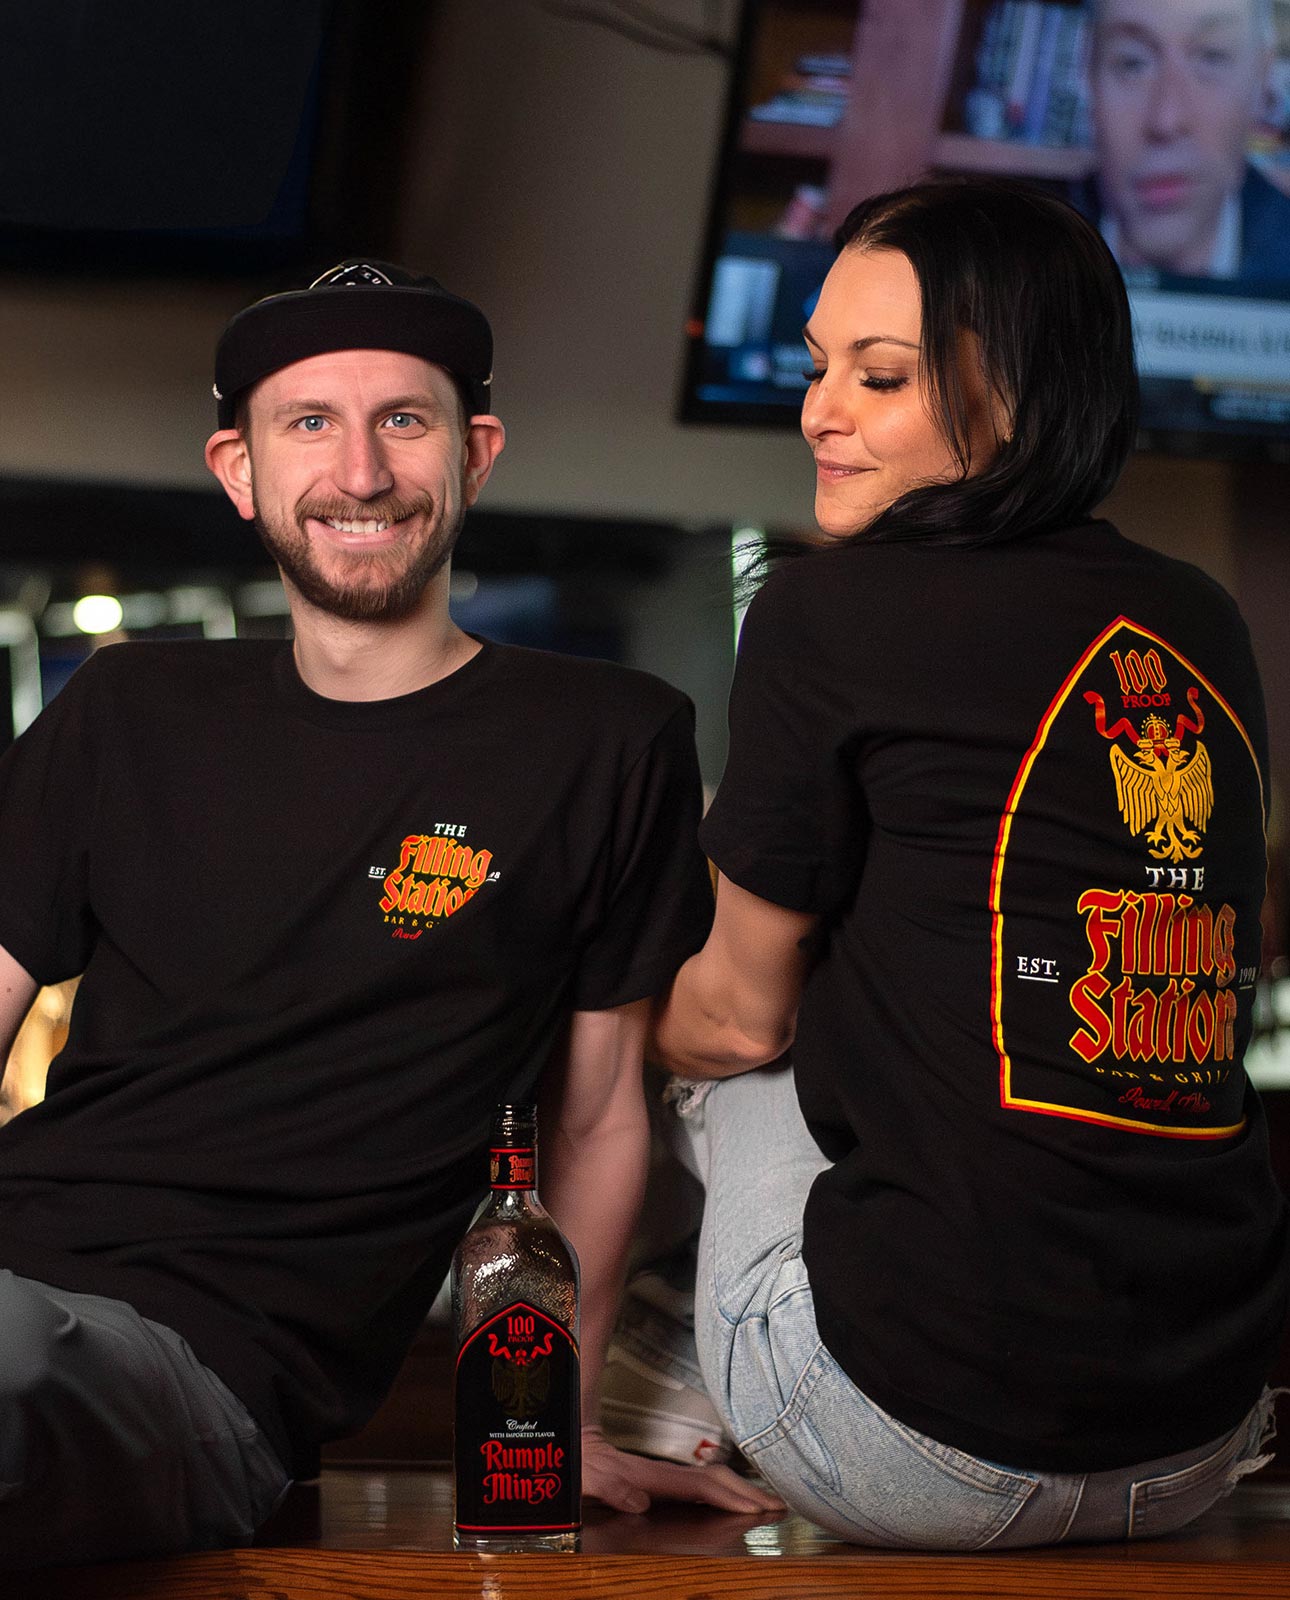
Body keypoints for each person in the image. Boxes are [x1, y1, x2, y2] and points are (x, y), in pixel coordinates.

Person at [0, 260, 779, 1569]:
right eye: (308, 424)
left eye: (402, 422)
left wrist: (549, 1418)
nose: (359, 472)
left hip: (203, 1370)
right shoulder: (127, 715)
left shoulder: (602, 741)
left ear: (473, 455)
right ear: (239, 471)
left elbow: (595, 1119)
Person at [649, 178, 1290, 1550]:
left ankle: (647, 1411)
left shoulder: (822, 608)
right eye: (816, 367)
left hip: (913, 1448)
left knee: (716, 1052)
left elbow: (736, 1016)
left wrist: (593, 1002)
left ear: (1016, 394)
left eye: (878, 378)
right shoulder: (1198, 618)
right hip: (1200, 1432)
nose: (819, 410)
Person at [1084, 0, 1290, 279]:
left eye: (1212, 57)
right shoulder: (1031, 249)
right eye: (1132, 63)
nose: (1166, 121)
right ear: (1088, 75)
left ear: (1261, 84)